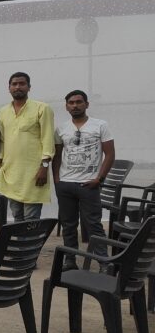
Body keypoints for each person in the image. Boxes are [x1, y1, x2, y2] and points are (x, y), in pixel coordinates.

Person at [54, 90, 115, 271]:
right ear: (66, 106)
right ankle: (70, 260)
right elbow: (57, 156)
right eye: (71, 103)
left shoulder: (100, 125)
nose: (75, 105)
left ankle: (104, 262)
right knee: (68, 224)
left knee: (93, 224)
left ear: (86, 104)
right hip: (65, 183)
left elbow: (110, 154)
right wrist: (57, 180)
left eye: (79, 102)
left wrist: (99, 179)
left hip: (89, 184)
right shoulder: (61, 129)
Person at [0, 72, 56, 222]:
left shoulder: (42, 108)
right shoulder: (3, 111)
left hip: (34, 172)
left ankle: (31, 240)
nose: (18, 87)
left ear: (29, 87)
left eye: (22, 84)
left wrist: (44, 167)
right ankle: (19, 239)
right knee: (17, 216)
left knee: (31, 218)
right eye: (14, 84)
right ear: (9, 88)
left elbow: (48, 139)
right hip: (11, 172)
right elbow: (2, 140)